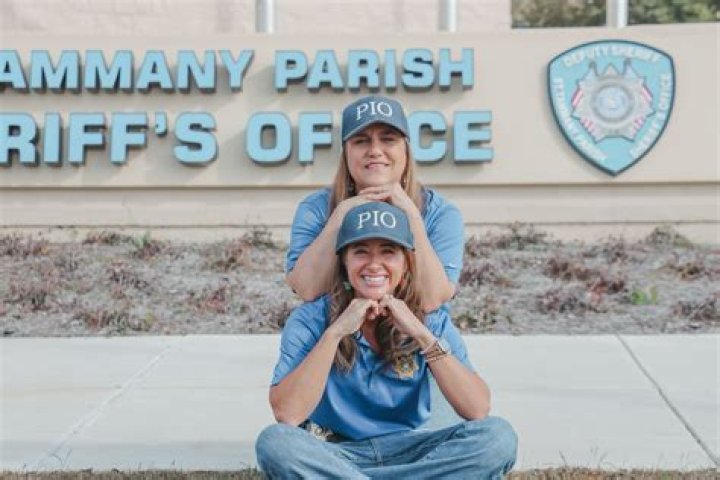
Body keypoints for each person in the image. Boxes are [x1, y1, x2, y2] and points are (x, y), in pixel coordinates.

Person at [256, 202, 517, 479]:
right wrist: (335, 333)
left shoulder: (430, 319)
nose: (374, 264)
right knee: (276, 443)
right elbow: (287, 414)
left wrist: (421, 335)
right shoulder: (310, 319)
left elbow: (477, 408)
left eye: (388, 252)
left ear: (405, 264)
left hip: (415, 450)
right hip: (337, 453)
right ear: (344, 262)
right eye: (361, 252)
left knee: (497, 437)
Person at [286, 95, 463, 313]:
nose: (375, 151)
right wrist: (339, 217)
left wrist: (412, 216)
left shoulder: (441, 213)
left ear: (406, 150)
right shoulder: (316, 208)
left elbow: (431, 300)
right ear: (346, 152)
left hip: (414, 330)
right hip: (338, 329)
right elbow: (306, 289)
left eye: (388, 139)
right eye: (361, 141)